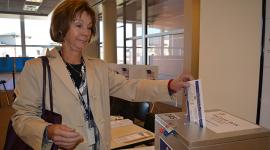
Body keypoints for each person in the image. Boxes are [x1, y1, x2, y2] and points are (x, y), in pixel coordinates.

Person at [11, 0, 193, 149]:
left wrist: (169, 85)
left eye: (89, 27)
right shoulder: (37, 68)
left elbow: (130, 87)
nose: (85, 33)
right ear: (62, 27)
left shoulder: (98, 67)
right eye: (78, 25)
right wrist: (48, 130)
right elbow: (22, 116)